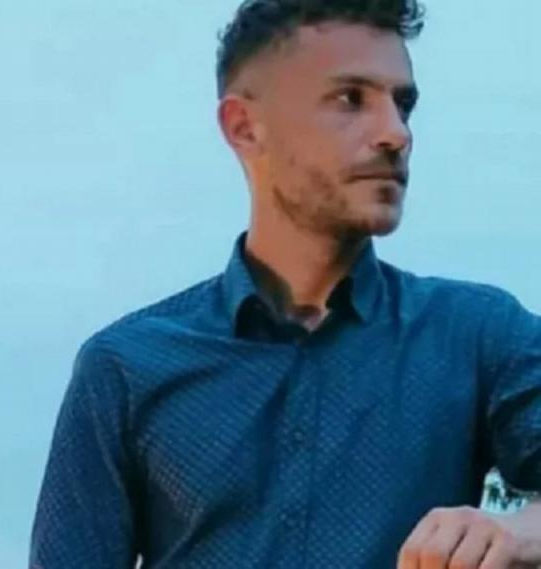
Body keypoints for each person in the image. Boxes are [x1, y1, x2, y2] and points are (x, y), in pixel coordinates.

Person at [29, 1, 541, 567]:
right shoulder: (125, 369)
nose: (396, 134)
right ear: (244, 127)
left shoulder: (475, 335)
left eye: (403, 104)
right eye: (351, 99)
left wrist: (520, 534)